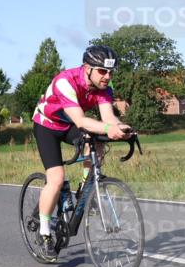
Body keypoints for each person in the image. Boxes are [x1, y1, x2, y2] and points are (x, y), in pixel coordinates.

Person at [32, 45, 131, 255]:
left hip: (68, 126)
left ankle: (86, 187)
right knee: (57, 179)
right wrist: (108, 128)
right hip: (46, 125)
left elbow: (108, 118)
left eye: (111, 72)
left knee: (97, 141)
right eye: (103, 71)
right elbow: (80, 120)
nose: (107, 76)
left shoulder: (104, 87)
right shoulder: (65, 81)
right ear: (87, 68)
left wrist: (122, 128)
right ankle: (44, 232)